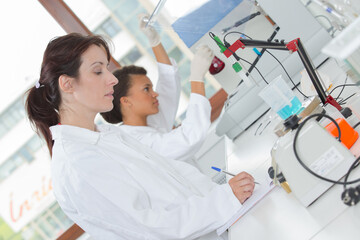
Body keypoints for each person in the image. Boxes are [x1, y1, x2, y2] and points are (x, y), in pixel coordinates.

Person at [25, 32, 255, 240]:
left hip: (218, 225)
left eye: (107, 68)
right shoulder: (77, 163)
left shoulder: (106, 135)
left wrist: (223, 195)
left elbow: (174, 175)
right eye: (98, 71)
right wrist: (224, 200)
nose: (112, 79)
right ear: (67, 84)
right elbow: (150, 228)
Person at [101, 14, 214, 162]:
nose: (155, 94)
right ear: (126, 101)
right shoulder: (135, 142)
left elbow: (168, 82)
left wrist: (155, 41)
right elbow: (188, 138)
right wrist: (197, 79)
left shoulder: (149, 122)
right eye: (146, 89)